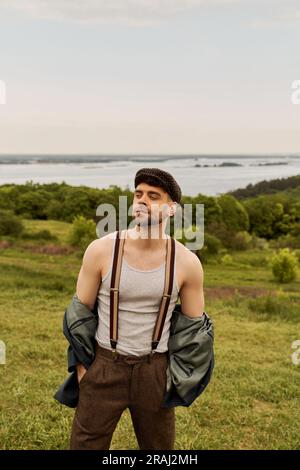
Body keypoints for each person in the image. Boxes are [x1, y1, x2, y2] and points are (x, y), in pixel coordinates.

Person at [70, 167, 205, 450]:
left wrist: (176, 377)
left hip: (155, 370)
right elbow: (79, 314)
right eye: (138, 194)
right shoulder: (101, 250)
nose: (142, 201)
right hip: (105, 366)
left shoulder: (187, 262)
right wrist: (84, 367)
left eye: (153, 196)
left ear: (171, 209)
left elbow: (195, 332)